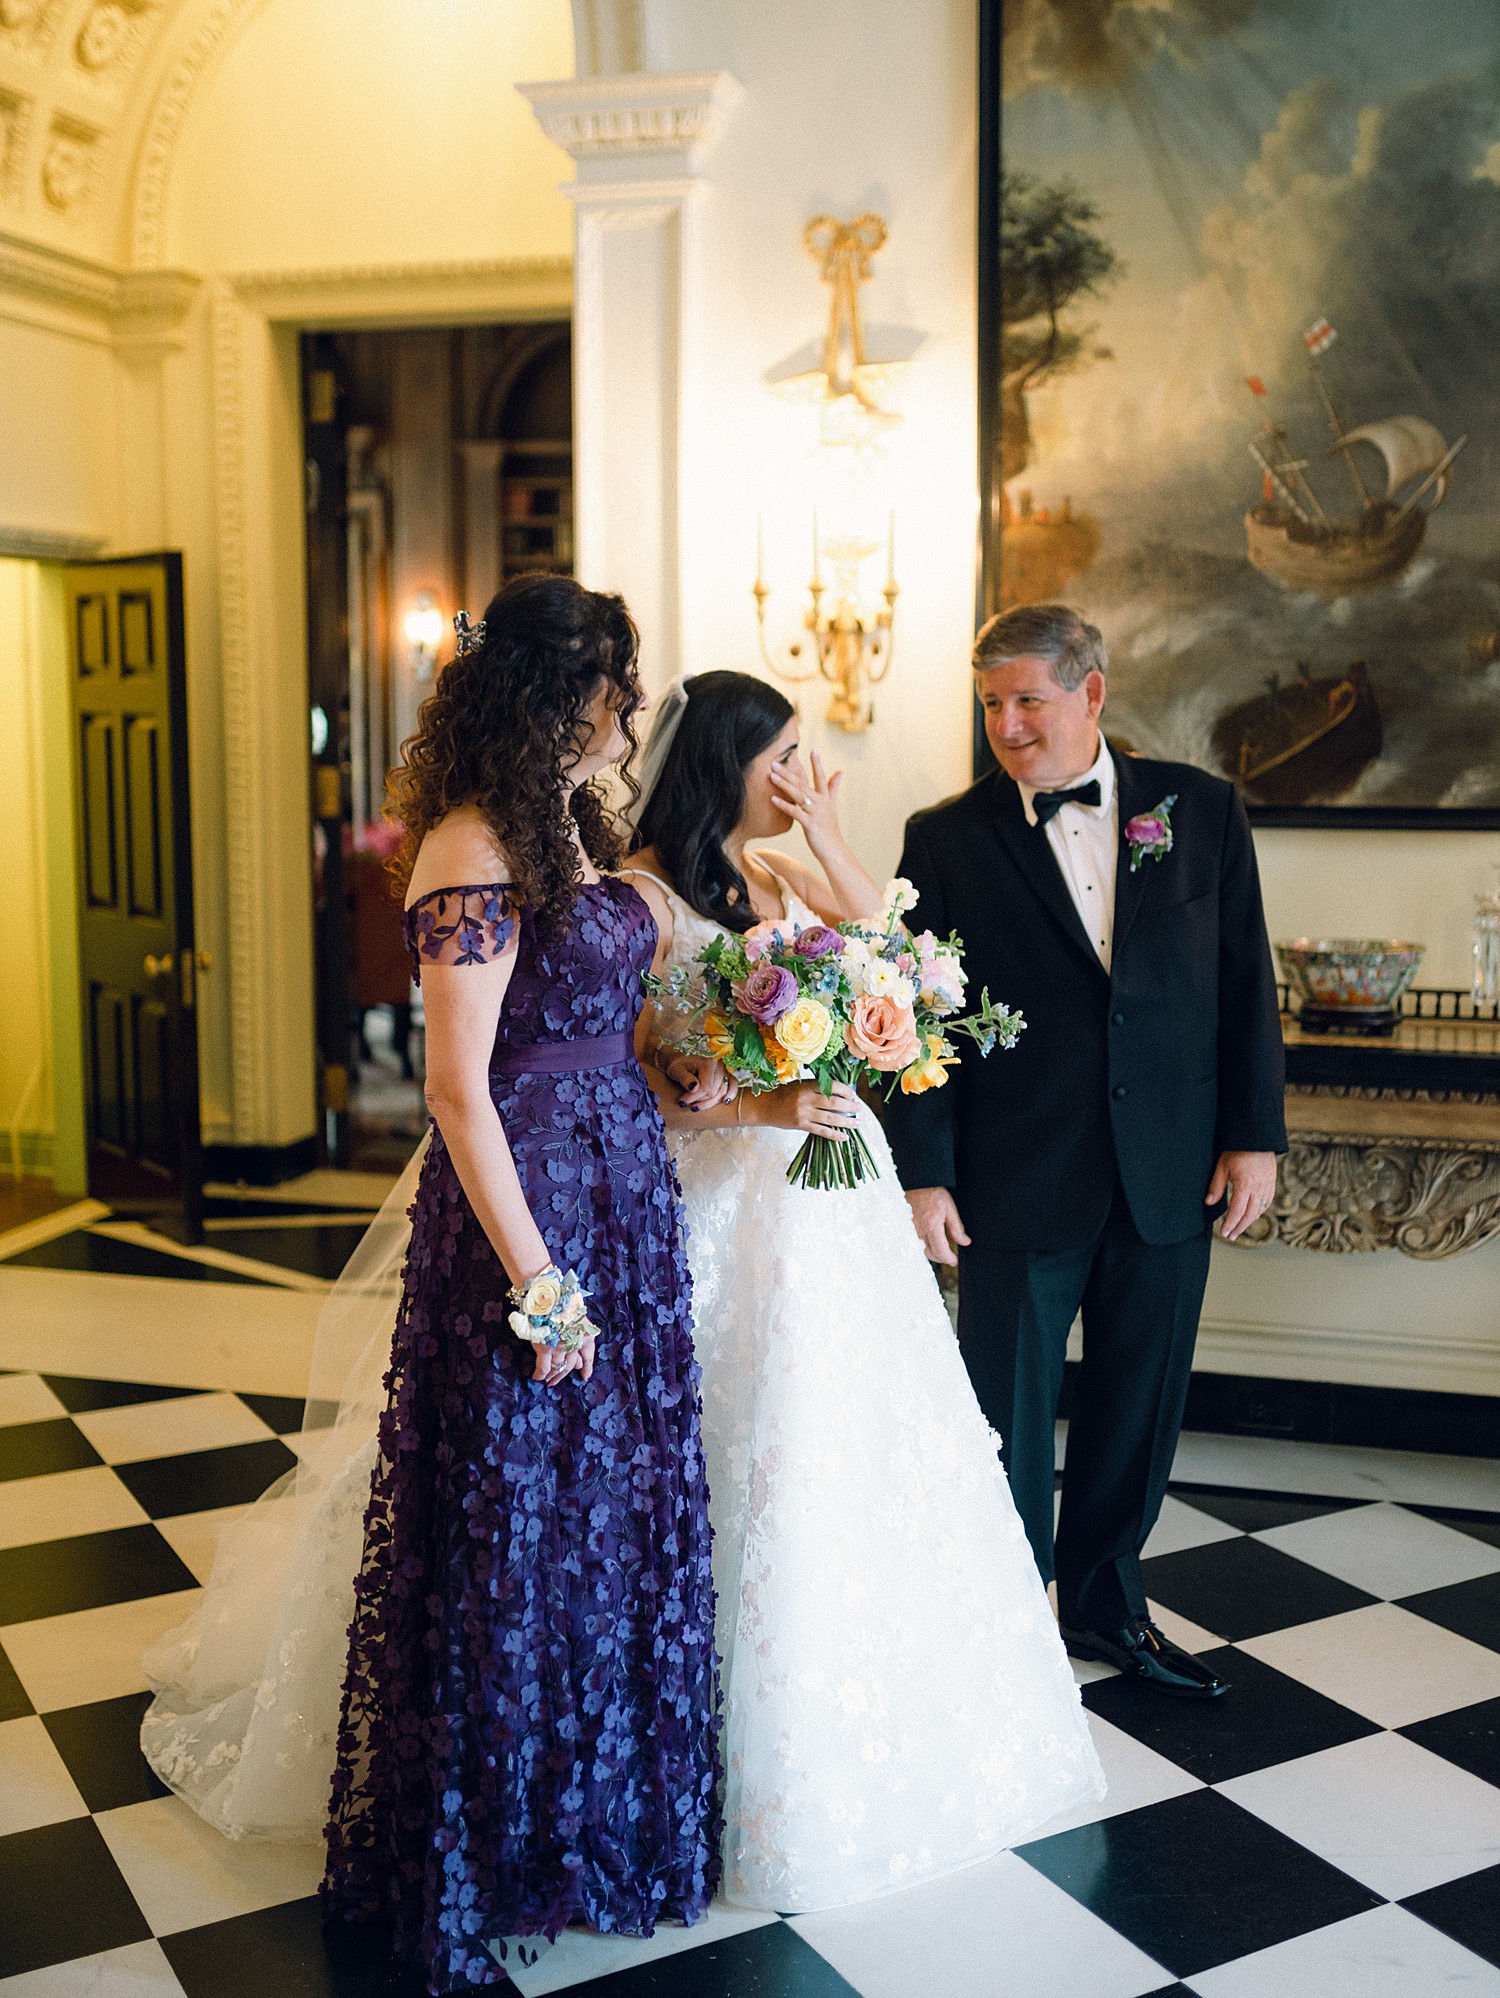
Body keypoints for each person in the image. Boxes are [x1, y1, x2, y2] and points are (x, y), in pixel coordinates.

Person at [142, 577, 722, 1992]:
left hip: (621, 1193)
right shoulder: (469, 843)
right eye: (616, 685)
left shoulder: (573, 833)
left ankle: (592, 1822)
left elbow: (605, 1017)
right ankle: (498, 1841)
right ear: (561, 694)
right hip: (527, 1219)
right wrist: (542, 1286)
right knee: (515, 1523)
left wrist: (692, 1074)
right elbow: (459, 1094)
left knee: (613, 1516)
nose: (631, 711)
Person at [618, 670, 1104, 1914]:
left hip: (828, 1206)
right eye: (785, 755)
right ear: (724, 761)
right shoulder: (641, 895)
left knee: (853, 1447)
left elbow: (890, 956)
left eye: (810, 754)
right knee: (751, 1448)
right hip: (729, 1201)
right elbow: (663, 1075)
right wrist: (768, 1094)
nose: (803, 771)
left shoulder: (768, 878)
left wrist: (827, 830)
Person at [884, 604, 1287, 1701]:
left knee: (1137, 1402)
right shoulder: (947, 836)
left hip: (1169, 1168)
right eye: (991, 704)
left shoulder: (1198, 812)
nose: (1008, 724)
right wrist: (923, 1171)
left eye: (1029, 700)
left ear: (1092, 693)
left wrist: (1254, 1138)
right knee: (1003, 1416)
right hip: (1012, 1177)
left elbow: (1247, 982)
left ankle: (1110, 1609)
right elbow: (916, 1020)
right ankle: (1006, 1627)